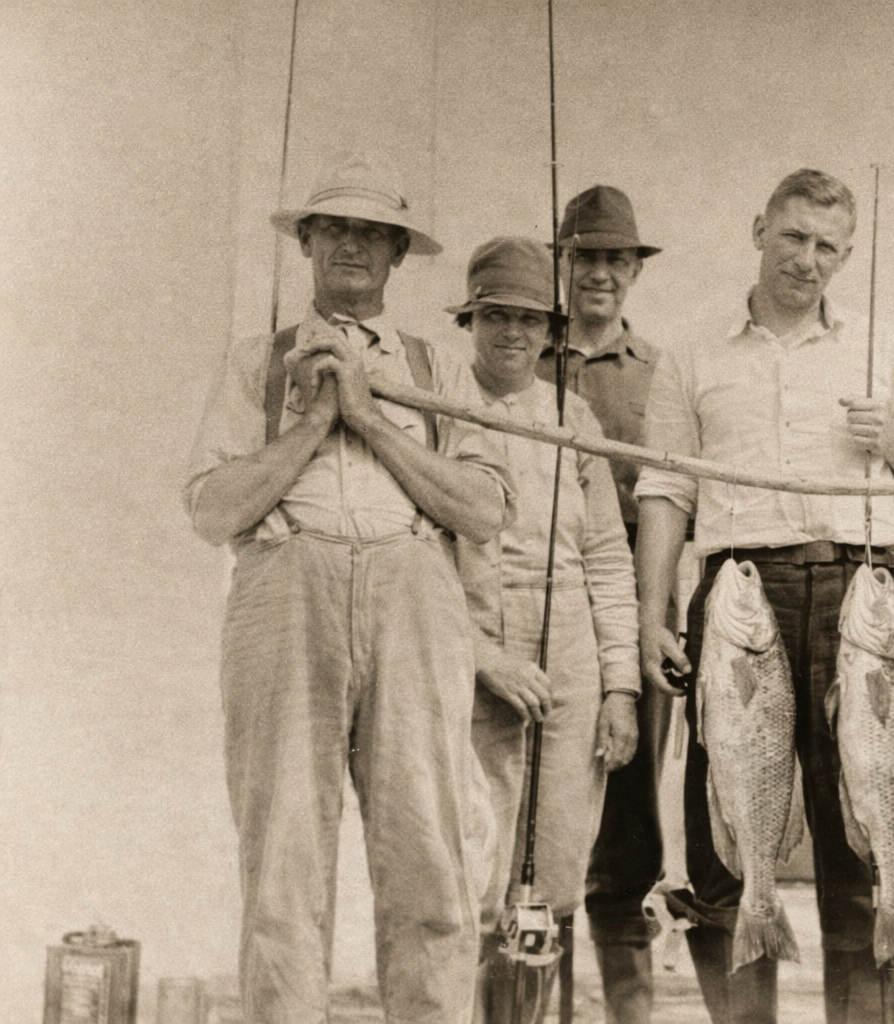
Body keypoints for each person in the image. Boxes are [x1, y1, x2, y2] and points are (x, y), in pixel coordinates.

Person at [183, 151, 511, 1022]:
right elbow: (214, 511)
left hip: (414, 598)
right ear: (307, 243)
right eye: (337, 228)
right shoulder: (258, 361)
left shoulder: (437, 368)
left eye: (375, 232)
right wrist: (312, 424)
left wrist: (368, 415)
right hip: (285, 597)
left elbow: (481, 510)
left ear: (400, 254)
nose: (355, 246)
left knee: (429, 853)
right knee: (284, 856)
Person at [633, 168, 894, 1024]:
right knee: (729, 835)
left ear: (847, 255)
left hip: (858, 593)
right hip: (737, 595)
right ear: (758, 227)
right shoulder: (691, 352)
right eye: (795, 237)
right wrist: (654, 618)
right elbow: (665, 491)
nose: (808, 260)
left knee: (866, 839)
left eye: (828, 247)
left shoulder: (886, 346)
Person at [448, 236, 642, 1014]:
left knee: (555, 866)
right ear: (471, 320)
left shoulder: (574, 417)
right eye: (496, 316)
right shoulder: (436, 404)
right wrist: (482, 656)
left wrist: (620, 686)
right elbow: (421, 563)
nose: (513, 335)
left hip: (570, 651)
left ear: (551, 329)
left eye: (531, 319)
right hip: (469, 648)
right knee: (473, 862)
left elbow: (607, 558)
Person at [535, 185, 670, 1024]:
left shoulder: (660, 375)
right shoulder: (519, 358)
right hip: (539, 611)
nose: (600, 274)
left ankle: (632, 1013)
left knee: (628, 829)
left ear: (633, 272)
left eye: (616, 260)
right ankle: (531, 1001)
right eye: (585, 257)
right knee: (533, 828)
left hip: (630, 617)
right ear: (562, 263)